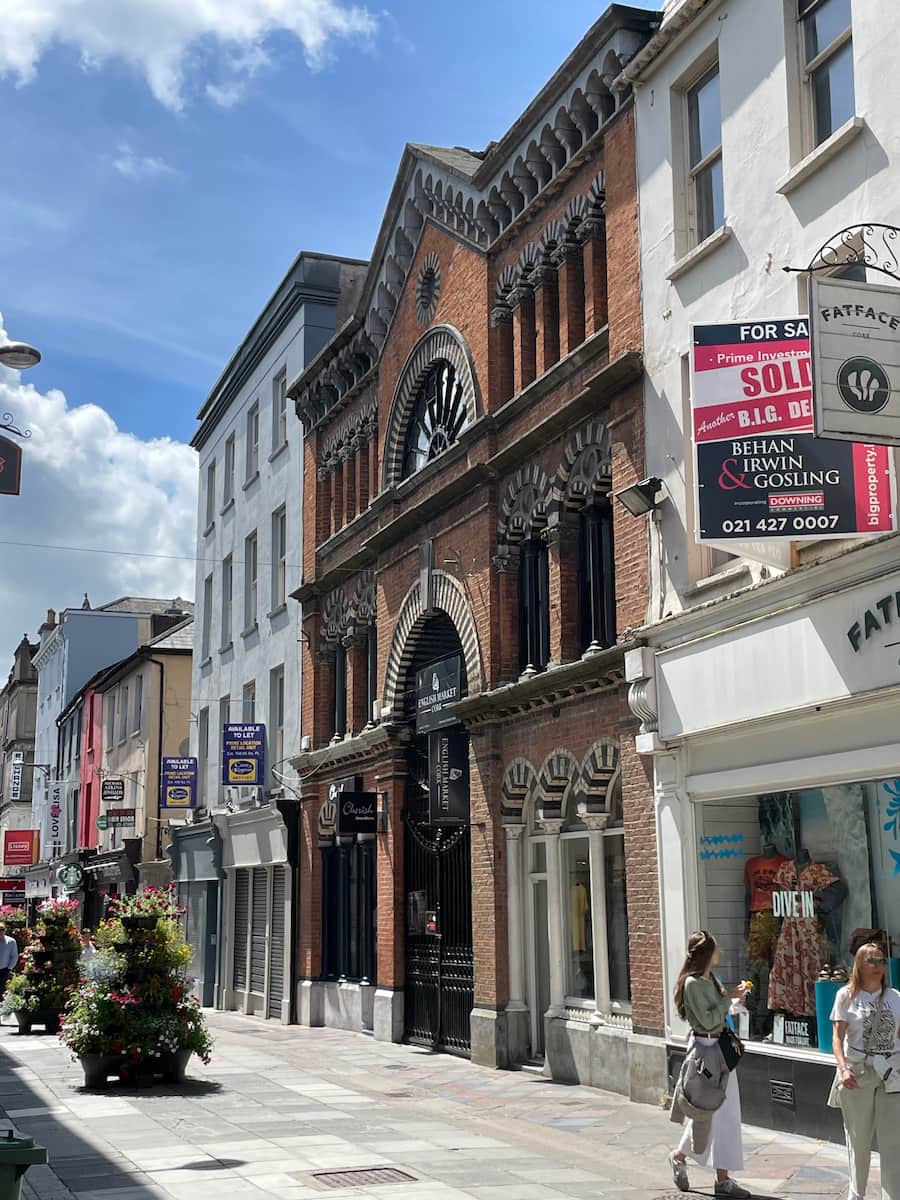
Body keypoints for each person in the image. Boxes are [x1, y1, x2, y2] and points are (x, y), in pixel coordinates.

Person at [670, 929, 751, 1199]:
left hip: (721, 1051)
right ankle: (682, 1157)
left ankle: (721, 1178)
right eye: (715, 948)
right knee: (706, 1110)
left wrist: (734, 1000)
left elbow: (719, 1012)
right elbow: (707, 1020)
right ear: (706, 953)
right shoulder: (693, 984)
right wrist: (728, 1000)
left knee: (726, 1113)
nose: (719, 952)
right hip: (705, 1052)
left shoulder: (710, 979)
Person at [830, 937, 900, 1200]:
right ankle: (856, 1194)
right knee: (858, 1140)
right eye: (872, 960)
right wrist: (843, 1069)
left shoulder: (895, 997)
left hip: (890, 1074)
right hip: (858, 1073)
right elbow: (837, 1038)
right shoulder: (846, 996)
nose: (878, 966)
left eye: (881, 961)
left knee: (893, 1142)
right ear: (859, 964)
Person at [0, 922, 19, 1000]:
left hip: (3, 970)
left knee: (1, 990)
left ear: (5, 930)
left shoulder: (11, 941)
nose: (0, 931)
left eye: (2, 929)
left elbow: (14, 956)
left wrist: (9, 968)